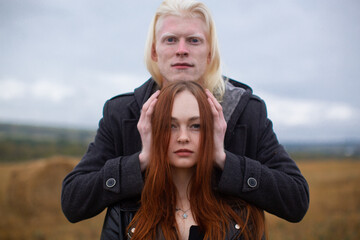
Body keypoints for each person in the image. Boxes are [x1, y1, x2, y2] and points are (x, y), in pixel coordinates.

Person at [61, 0, 309, 229]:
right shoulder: (122, 113)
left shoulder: (246, 112)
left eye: (193, 40)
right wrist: (141, 161)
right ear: (154, 52)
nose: (181, 50)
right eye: (170, 40)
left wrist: (224, 160)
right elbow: (73, 201)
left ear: (210, 52)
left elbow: (296, 200)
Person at [100, 81, 266, 240]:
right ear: (153, 131)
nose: (183, 137)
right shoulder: (123, 213)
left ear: (213, 131)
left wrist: (219, 155)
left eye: (196, 126)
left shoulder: (244, 213)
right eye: (171, 126)